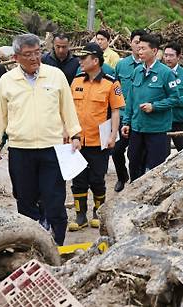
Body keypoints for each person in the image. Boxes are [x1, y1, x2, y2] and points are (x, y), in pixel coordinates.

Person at [0, 33, 82, 246]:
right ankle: (31, 242)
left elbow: (67, 107)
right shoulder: (7, 80)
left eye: (37, 53)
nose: (34, 58)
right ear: (16, 57)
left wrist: (75, 134)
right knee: (25, 197)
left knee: (54, 197)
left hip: (52, 148)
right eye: (28, 54)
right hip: (21, 149)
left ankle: (58, 241)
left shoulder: (55, 75)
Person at [67, 43, 124, 231]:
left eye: (84, 58)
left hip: (99, 141)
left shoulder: (110, 83)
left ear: (96, 60)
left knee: (97, 179)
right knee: (78, 180)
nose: (80, 61)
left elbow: (115, 112)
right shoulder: (76, 82)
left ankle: (98, 213)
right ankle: (80, 215)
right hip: (77, 140)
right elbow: (68, 110)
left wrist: (113, 135)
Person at [121, 34, 179, 181]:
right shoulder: (137, 71)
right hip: (137, 127)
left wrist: (155, 106)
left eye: (143, 48)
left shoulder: (166, 73)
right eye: (138, 48)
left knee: (155, 167)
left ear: (154, 51)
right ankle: (134, 196)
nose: (139, 51)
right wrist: (127, 122)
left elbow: (174, 98)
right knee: (134, 163)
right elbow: (131, 99)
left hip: (156, 130)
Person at [112, 28, 146, 192]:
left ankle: (136, 183)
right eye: (136, 42)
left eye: (142, 43)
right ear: (130, 43)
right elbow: (115, 88)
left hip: (141, 118)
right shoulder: (122, 65)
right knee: (116, 150)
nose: (139, 46)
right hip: (124, 115)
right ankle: (121, 176)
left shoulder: (149, 67)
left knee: (136, 154)